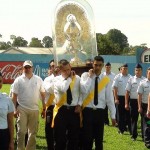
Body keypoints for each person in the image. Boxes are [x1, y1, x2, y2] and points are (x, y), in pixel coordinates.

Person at [80, 56, 116, 150]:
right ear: (93, 64)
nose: (97, 67)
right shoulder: (85, 75)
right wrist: (90, 77)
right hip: (87, 111)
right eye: (96, 65)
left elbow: (109, 98)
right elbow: (83, 90)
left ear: (103, 66)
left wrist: (113, 115)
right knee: (87, 140)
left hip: (100, 113)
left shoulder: (106, 79)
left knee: (99, 140)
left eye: (100, 65)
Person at [12, 60, 46, 150]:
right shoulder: (18, 80)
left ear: (32, 68)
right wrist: (14, 110)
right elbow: (14, 96)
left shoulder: (38, 79)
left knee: (33, 133)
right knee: (21, 131)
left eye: (29, 67)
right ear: (23, 68)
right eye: (25, 67)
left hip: (35, 109)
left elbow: (43, 94)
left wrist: (44, 109)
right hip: (22, 109)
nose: (27, 69)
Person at [53, 59, 81, 150]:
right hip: (61, 110)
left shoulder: (77, 79)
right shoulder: (57, 80)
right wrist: (70, 78)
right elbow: (64, 88)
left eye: (69, 69)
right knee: (60, 138)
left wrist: (79, 104)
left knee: (73, 138)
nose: (67, 72)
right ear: (60, 70)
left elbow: (82, 93)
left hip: (74, 111)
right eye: (64, 70)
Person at [125, 63, 145, 141]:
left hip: (142, 102)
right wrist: (126, 103)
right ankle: (134, 135)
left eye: (139, 70)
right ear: (134, 71)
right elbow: (127, 92)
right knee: (134, 119)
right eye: (136, 70)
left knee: (144, 119)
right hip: (133, 102)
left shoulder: (144, 80)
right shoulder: (131, 79)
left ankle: (144, 135)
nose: (137, 71)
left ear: (141, 71)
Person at [43, 60, 60, 150]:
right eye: (53, 66)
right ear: (50, 68)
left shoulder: (65, 78)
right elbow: (50, 89)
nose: (55, 68)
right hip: (51, 107)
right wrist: (57, 78)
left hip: (61, 108)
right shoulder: (47, 79)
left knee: (61, 132)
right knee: (49, 131)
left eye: (56, 66)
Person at [112, 63, 131, 134]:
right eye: (124, 69)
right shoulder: (117, 77)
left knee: (128, 114)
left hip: (128, 98)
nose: (125, 70)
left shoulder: (130, 77)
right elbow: (115, 89)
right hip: (120, 97)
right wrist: (116, 99)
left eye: (126, 69)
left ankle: (126, 127)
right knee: (120, 114)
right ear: (121, 69)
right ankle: (121, 129)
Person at [0, 72, 14, 150]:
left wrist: (11, 141)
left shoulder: (7, 100)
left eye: (0, 81)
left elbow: (11, 123)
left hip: (3, 135)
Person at [137, 67, 150, 142]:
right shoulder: (143, 82)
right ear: (147, 73)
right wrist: (139, 106)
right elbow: (139, 95)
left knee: (148, 123)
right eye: (149, 73)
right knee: (146, 123)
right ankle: (147, 140)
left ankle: (146, 136)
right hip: (145, 106)